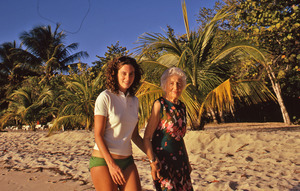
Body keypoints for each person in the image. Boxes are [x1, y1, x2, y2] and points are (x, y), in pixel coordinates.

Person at [90, 56, 144, 191]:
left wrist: (153, 157)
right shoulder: (105, 97)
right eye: (123, 73)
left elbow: (135, 136)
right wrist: (111, 165)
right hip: (103, 161)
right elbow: (98, 135)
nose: (128, 77)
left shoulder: (134, 100)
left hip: (127, 161)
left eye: (131, 74)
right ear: (115, 74)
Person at [143, 67, 193, 191]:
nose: (175, 87)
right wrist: (152, 161)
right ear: (165, 85)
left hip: (181, 161)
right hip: (163, 161)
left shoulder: (182, 107)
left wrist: (187, 161)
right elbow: (147, 137)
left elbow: (179, 138)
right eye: (171, 83)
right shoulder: (159, 104)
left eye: (179, 83)